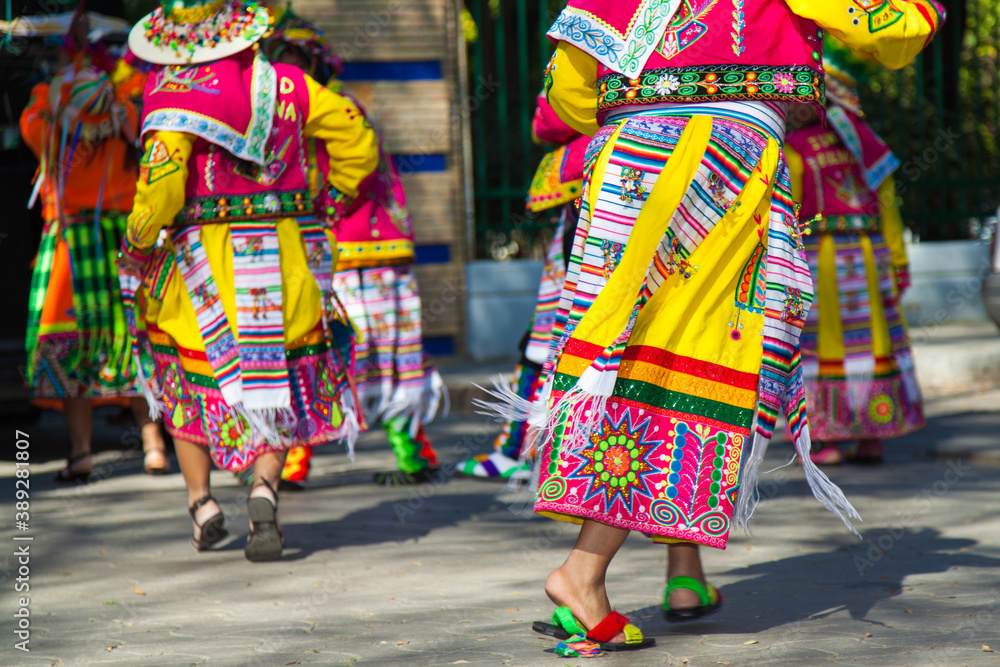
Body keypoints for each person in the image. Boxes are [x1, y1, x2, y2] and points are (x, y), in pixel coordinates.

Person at [482, 0, 943, 657]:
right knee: (687, 370)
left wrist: (645, 99)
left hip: (624, 167)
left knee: (621, 366)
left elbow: (566, 88)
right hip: (719, 168)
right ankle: (585, 574)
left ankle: (623, 572)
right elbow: (898, 27)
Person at [118, 0, 378, 561]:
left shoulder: (171, 93)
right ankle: (263, 489)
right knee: (273, 383)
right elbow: (359, 141)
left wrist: (138, 243)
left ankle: (202, 503)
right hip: (283, 259)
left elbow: (162, 187)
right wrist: (330, 201)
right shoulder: (291, 85)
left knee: (187, 384)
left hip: (203, 266)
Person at [263, 10, 447, 489]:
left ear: (314, 68)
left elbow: (354, 168)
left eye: (294, 65)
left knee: (375, 351)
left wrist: (324, 208)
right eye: (280, 67)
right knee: (323, 351)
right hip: (339, 251)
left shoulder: (332, 110)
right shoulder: (303, 115)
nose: (288, 77)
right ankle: (296, 460)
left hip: (355, 252)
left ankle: (410, 453)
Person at [20, 12, 168, 482]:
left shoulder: (51, 103)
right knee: (135, 338)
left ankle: (81, 453)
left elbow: (31, 132)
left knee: (70, 344)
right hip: (125, 239)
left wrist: (47, 92)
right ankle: (153, 446)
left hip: (73, 242)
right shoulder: (131, 102)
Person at [787, 40, 924, 466]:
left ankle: (829, 437)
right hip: (869, 258)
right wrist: (897, 260)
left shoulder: (793, 150)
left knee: (821, 347)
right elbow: (890, 209)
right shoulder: (868, 146)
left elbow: (784, 213)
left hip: (819, 260)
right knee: (871, 343)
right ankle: (871, 436)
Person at [459, 95, 589, 482]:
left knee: (548, 344)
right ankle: (531, 450)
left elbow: (549, 116)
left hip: (585, 236)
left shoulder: (590, 140)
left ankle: (526, 451)